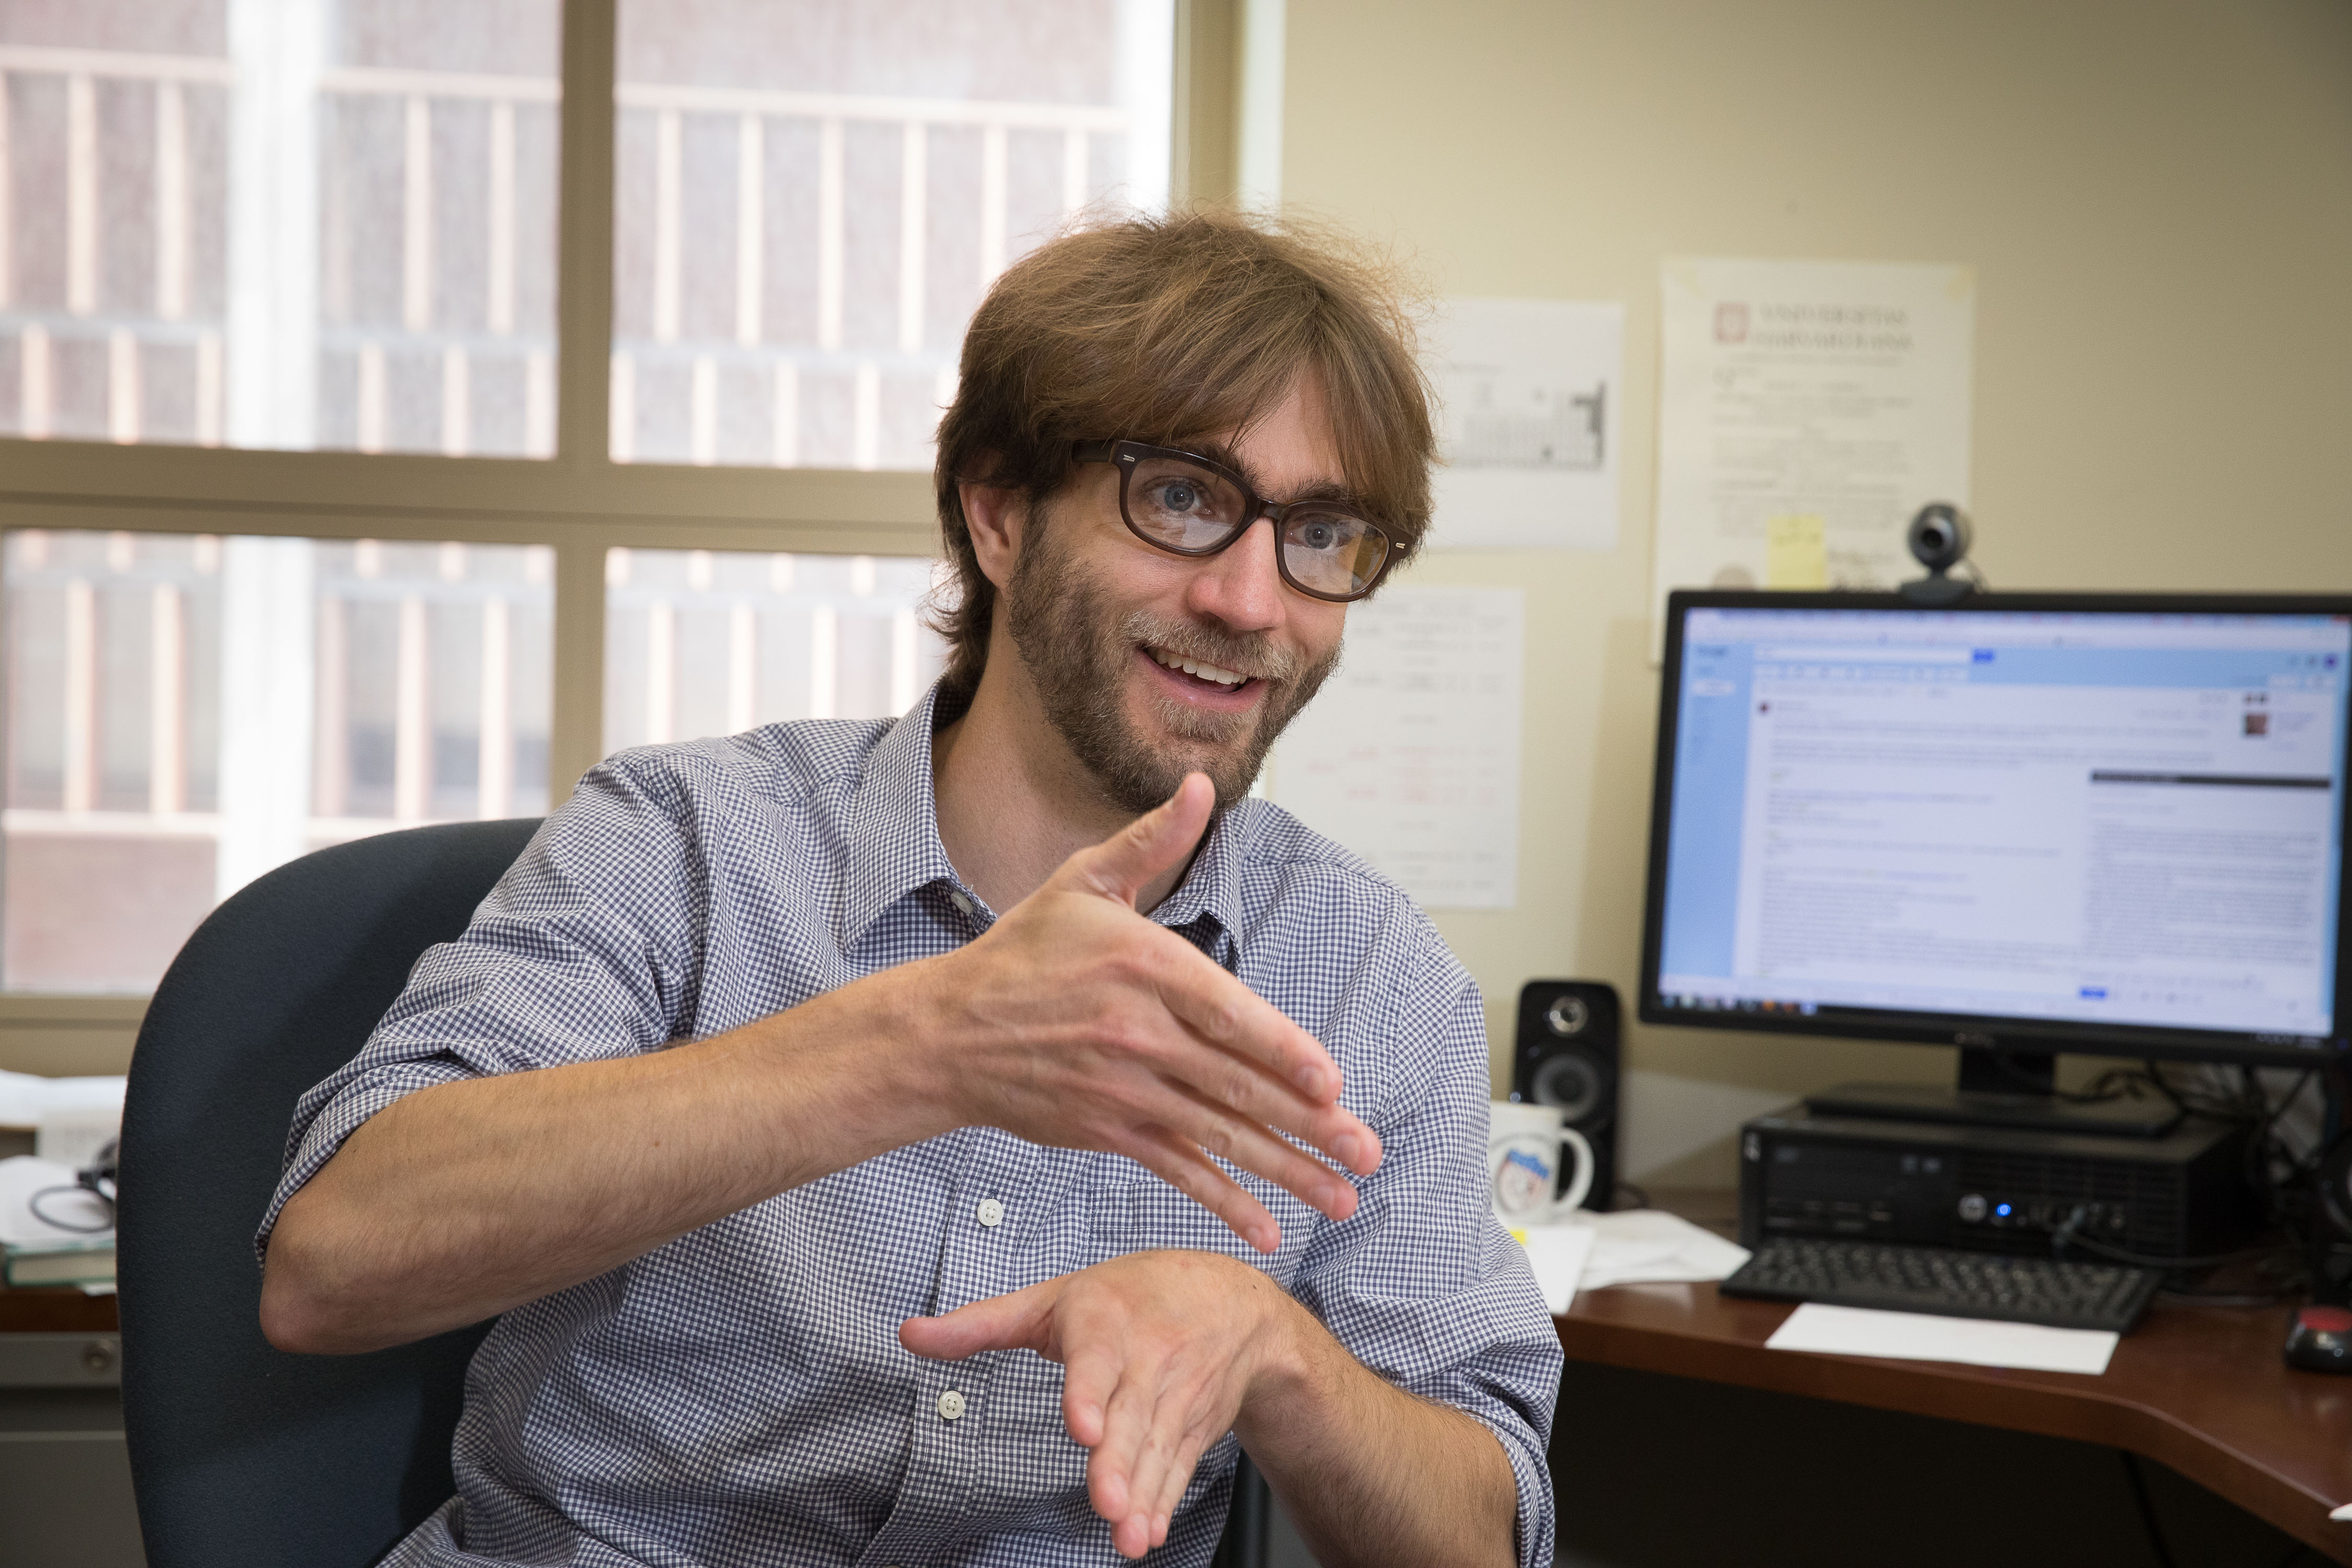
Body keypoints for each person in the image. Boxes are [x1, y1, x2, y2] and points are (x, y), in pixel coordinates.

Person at [258, 210, 1563, 1568]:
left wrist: (1279, 1358)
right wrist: (918, 1048)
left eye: (1323, 532)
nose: (1251, 598)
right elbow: (331, 1262)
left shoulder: (1370, 979)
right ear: (997, 515)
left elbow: (1479, 1538)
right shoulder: (682, 841)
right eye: (1180, 498)